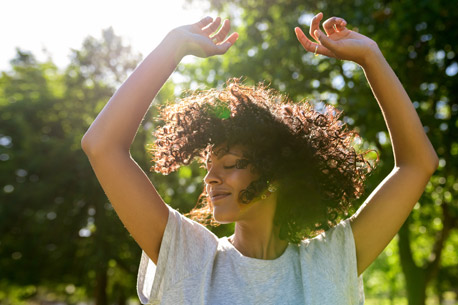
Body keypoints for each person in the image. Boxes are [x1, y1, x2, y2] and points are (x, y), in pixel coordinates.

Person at [81, 12, 438, 305]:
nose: (210, 178)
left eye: (229, 163)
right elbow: (102, 146)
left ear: (277, 171)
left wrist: (370, 57)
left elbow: (417, 164)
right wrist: (172, 47)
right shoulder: (189, 257)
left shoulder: (329, 261)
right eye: (208, 166)